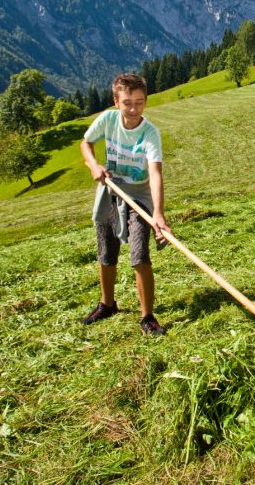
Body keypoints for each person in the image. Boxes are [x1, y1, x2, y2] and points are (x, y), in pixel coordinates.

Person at [80, 73, 171, 335]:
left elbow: (155, 174)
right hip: (110, 190)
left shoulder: (150, 133)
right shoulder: (108, 120)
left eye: (140, 102)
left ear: (146, 101)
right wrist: (94, 164)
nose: (133, 109)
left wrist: (158, 212)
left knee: (140, 254)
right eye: (127, 103)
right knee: (106, 252)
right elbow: (85, 143)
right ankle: (107, 304)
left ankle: (147, 318)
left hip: (140, 197)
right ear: (116, 101)